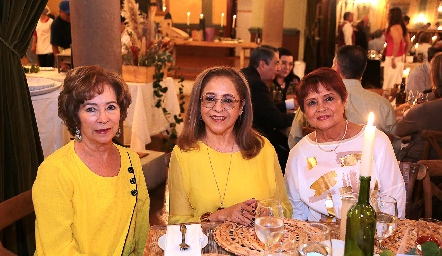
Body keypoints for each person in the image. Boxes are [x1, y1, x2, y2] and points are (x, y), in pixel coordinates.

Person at [32, 66, 150, 255]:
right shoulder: (55, 171)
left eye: (111, 107)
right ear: (75, 116)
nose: (103, 118)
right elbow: (58, 250)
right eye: (91, 109)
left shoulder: (131, 160)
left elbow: (141, 228)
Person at [168, 66, 292, 226]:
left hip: (256, 247)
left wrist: (267, 212)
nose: (218, 108)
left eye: (228, 100)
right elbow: (177, 224)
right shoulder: (183, 153)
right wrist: (219, 216)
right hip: (206, 248)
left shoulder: (263, 148)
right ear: (199, 104)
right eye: (210, 99)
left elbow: (285, 209)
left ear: (241, 107)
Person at [285, 67, 406, 222]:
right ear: (304, 111)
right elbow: (296, 212)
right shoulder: (298, 154)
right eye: (312, 102)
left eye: (329, 98)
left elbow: (393, 198)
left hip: (369, 236)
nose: (321, 108)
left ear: (344, 100)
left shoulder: (376, 141)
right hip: (318, 241)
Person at [288, 45, 397, 149]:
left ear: (337, 66)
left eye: (329, 99)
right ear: (363, 70)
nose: (322, 107)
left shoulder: (313, 100)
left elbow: (294, 140)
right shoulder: (383, 105)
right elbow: (394, 146)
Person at [241, 45, 295, 171]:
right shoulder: (257, 84)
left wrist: (289, 104)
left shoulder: (245, 74)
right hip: (254, 137)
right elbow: (278, 120)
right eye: (276, 63)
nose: (278, 68)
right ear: (263, 64)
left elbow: (265, 107)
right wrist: (301, 115)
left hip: (246, 131)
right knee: (290, 154)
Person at [396, 52, 442, 163]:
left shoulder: (425, 110)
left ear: (434, 77)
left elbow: (399, 130)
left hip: (420, 170)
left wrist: (413, 111)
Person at [383, 7, 409, 89]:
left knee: (389, 80)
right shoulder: (403, 28)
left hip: (392, 56)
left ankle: (389, 99)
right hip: (400, 56)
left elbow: (397, 42)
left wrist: (393, 58)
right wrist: (404, 53)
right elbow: (408, 42)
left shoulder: (393, 28)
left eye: (389, 14)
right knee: (396, 79)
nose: (387, 16)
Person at [51, 0, 72, 69]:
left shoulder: (75, 20)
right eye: (67, 14)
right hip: (64, 57)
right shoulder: (56, 24)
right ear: (60, 12)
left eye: (71, 13)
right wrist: (61, 63)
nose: (70, 16)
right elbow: (54, 46)